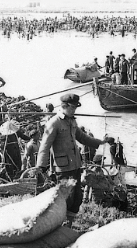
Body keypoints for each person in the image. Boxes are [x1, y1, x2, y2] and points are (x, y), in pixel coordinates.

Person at [37, 93, 111, 224]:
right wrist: (41, 165)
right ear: (64, 106)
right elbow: (45, 145)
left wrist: (101, 142)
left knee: (77, 198)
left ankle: (68, 224)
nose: (74, 110)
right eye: (72, 108)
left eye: (75, 108)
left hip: (75, 165)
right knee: (67, 198)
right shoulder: (54, 123)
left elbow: (83, 138)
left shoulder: (72, 121)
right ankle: (60, 223)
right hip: (63, 168)